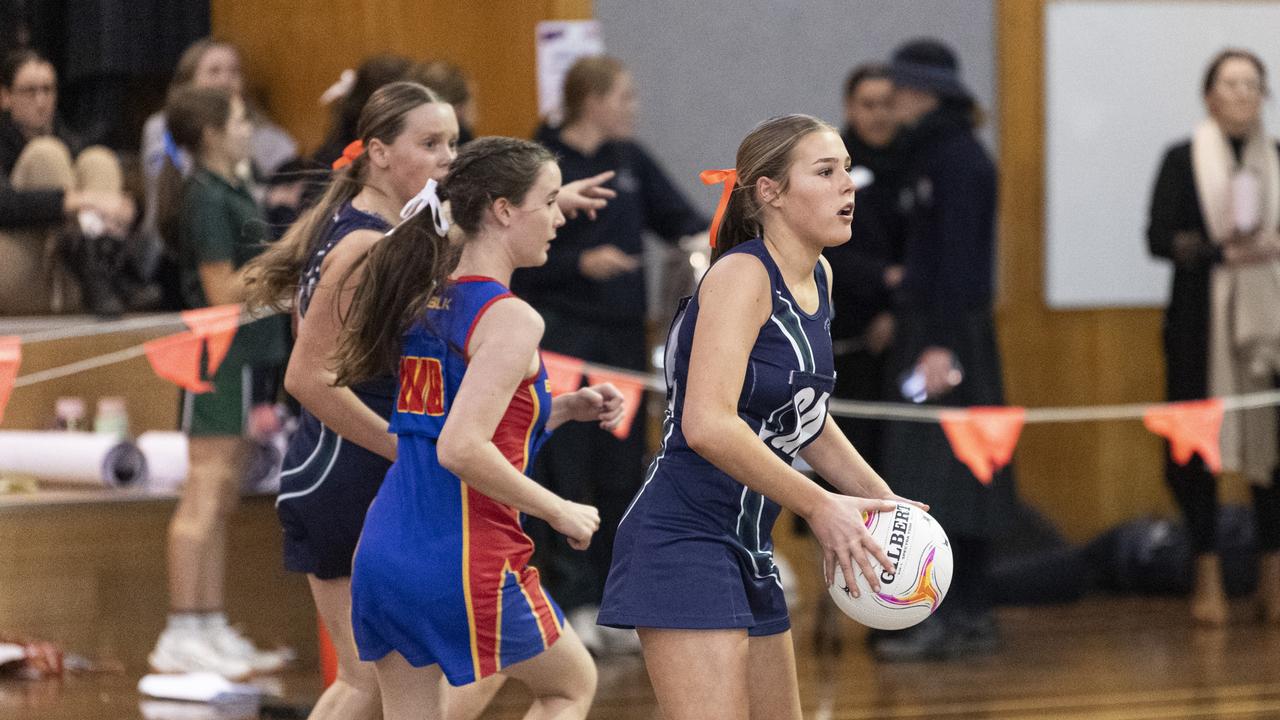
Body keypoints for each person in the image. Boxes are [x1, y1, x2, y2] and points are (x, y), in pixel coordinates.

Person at [597, 113, 911, 719]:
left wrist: (881, 503)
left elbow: (807, 419)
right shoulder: (743, 275)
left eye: (847, 168)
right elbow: (707, 424)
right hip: (683, 536)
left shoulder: (817, 275)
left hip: (747, 541)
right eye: (825, 171)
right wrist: (821, 506)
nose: (848, 184)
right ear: (768, 192)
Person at [333, 136, 619, 720]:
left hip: (385, 550)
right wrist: (557, 508)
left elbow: (455, 417)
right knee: (569, 685)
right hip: (462, 552)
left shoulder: (427, 299)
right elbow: (461, 447)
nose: (560, 215)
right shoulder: (511, 318)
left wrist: (559, 408)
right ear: (503, 210)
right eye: (548, 200)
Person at [514, 56, 707, 651]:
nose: (633, 107)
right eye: (624, 95)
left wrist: (713, 243)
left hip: (623, 338)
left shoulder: (630, 160)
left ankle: (614, 601)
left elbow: (682, 220)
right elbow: (512, 256)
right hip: (565, 340)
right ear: (591, 99)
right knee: (567, 469)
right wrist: (578, 262)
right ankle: (571, 599)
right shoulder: (542, 163)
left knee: (621, 473)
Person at [147, 85, 291, 679]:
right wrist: (289, 260)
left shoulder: (234, 184)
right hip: (217, 361)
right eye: (237, 121)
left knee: (225, 493)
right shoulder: (205, 197)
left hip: (251, 359)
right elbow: (221, 293)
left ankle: (208, 623)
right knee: (203, 493)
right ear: (208, 133)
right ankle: (181, 628)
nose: (246, 130)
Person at [873, 38, 1009, 662]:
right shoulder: (925, 156)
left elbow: (961, 266)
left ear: (923, 91)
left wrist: (938, 348)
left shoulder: (957, 161)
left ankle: (952, 613)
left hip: (946, 339)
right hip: (928, 332)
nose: (891, 100)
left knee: (948, 475)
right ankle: (953, 612)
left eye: (898, 88)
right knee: (934, 472)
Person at [1146, 48, 1280, 626]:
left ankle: (1273, 577)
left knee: (1273, 452)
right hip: (1199, 328)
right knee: (1194, 450)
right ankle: (1208, 574)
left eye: (1253, 84)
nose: (1243, 93)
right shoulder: (1181, 159)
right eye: (1231, 83)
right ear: (1210, 95)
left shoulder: (1277, 158)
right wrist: (1221, 252)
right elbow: (1158, 238)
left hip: (1268, 329)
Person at [0, 48, 134, 315]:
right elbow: (5, 204)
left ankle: (100, 272)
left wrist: (126, 207)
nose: (41, 100)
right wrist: (82, 201)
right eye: (30, 91)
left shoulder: (71, 141)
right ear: (5, 96)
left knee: (99, 160)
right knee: (45, 155)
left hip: (73, 281)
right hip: (17, 270)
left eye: (48, 90)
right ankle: (99, 273)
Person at [826, 62, 907, 473]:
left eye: (888, 104)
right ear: (850, 107)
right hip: (842, 332)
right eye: (869, 104)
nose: (879, 114)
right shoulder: (832, 165)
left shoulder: (912, 162)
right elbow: (821, 244)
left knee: (895, 454)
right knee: (842, 453)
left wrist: (894, 309)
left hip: (902, 331)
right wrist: (879, 277)